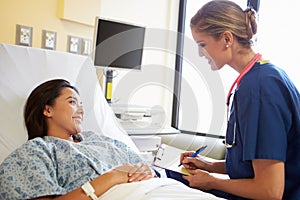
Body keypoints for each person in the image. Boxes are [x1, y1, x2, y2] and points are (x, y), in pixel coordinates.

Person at [179, 0, 300, 199]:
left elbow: (270, 190)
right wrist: (209, 166)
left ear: (227, 38)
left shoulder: (259, 88)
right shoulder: (261, 76)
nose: (200, 53)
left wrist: (211, 181)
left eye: (202, 44)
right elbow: (255, 167)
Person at [0, 79, 156, 200]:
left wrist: (147, 171)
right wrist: (112, 177)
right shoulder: (34, 152)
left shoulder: (101, 141)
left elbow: (144, 168)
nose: (81, 111)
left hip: (160, 190)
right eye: (72, 102)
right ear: (48, 110)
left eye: (81, 104)